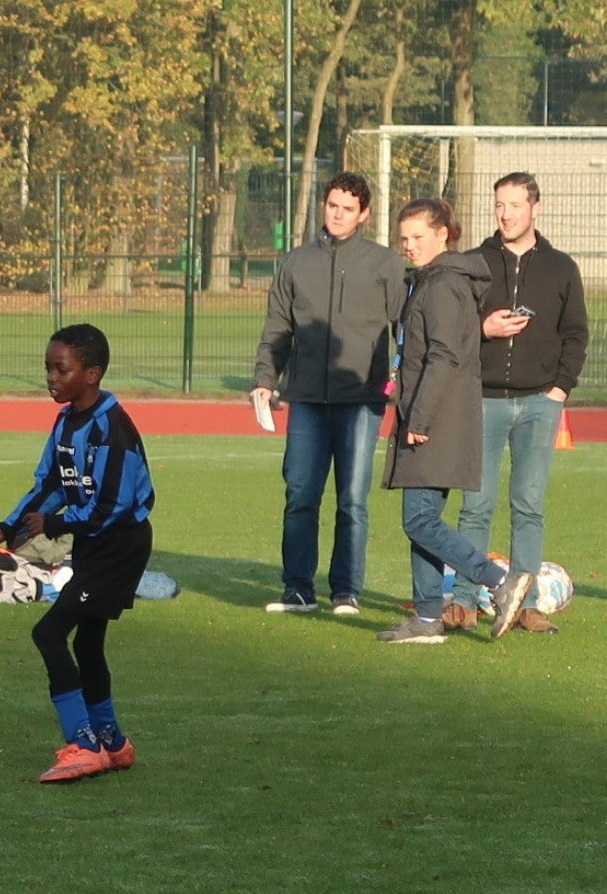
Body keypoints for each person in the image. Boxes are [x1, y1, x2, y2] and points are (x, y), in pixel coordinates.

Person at [0, 324, 154, 784]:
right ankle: (112, 744)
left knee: (49, 633)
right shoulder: (66, 421)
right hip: (94, 543)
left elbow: (113, 505)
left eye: (61, 369)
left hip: (120, 545)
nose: (51, 378)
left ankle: (83, 745)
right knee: (87, 642)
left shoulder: (112, 427)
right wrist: (6, 527)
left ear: (92, 374)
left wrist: (55, 524)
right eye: (48, 369)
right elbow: (50, 484)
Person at [378, 199, 535, 645]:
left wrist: (420, 415)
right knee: (422, 518)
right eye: (403, 238)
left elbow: (444, 356)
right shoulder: (430, 280)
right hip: (429, 414)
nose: (409, 245)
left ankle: (499, 582)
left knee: (419, 520)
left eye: (418, 237)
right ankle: (428, 617)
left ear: (443, 234)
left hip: (435, 420)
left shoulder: (444, 284)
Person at [251, 172, 408, 617]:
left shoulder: (385, 264)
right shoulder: (295, 263)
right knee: (300, 495)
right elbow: (277, 328)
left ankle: (346, 591)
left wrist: (400, 381)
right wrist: (266, 377)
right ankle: (297, 589)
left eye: (348, 208)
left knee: (352, 501)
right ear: (324, 205)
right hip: (305, 400)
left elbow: (406, 329)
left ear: (364, 214)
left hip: (361, 401)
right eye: (333, 205)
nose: (338, 215)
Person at [444, 172, 590, 634]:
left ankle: (524, 605)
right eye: (499, 205)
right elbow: (448, 327)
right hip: (482, 400)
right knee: (475, 506)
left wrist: (559, 389)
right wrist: (482, 328)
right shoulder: (474, 263)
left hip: (539, 403)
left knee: (528, 504)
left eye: (514, 205)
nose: (505, 214)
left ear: (535, 208)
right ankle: (463, 601)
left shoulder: (561, 268)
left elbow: (576, 334)